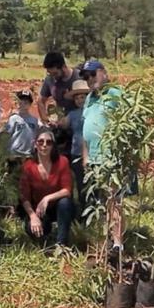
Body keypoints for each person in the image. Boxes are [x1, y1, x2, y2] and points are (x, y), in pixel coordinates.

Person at [81, 59, 135, 253]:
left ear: (103, 73)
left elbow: (130, 123)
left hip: (112, 158)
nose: (89, 79)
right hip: (94, 159)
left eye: (92, 75)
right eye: (86, 77)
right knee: (101, 201)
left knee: (114, 200)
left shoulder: (116, 94)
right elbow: (85, 130)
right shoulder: (90, 98)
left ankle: (118, 243)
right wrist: (85, 156)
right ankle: (105, 240)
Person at [19, 127, 74, 247]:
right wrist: (32, 216)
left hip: (57, 207)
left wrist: (47, 198)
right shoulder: (28, 166)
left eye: (48, 142)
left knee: (65, 203)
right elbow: (24, 197)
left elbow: (67, 190)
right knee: (31, 228)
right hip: (38, 210)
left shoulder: (62, 162)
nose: (44, 145)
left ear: (53, 146)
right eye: (41, 142)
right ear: (35, 144)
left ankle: (62, 244)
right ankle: (43, 235)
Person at [38, 51, 81, 155]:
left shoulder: (78, 77)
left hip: (78, 128)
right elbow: (40, 101)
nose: (53, 77)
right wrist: (46, 120)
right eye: (50, 73)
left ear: (63, 67)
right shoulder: (49, 80)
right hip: (61, 128)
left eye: (55, 73)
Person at [62, 79, 90, 213]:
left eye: (83, 97)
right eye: (77, 98)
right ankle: (84, 211)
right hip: (76, 153)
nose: (80, 100)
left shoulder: (92, 111)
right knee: (80, 185)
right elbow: (63, 124)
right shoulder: (72, 114)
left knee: (93, 184)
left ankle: (95, 211)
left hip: (92, 153)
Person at [0, 89, 39, 173]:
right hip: (14, 154)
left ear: (30, 104)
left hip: (28, 154)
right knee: (13, 176)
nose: (23, 105)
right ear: (17, 103)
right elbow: (7, 134)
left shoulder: (34, 121)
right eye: (20, 102)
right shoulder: (14, 119)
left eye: (26, 103)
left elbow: (36, 136)